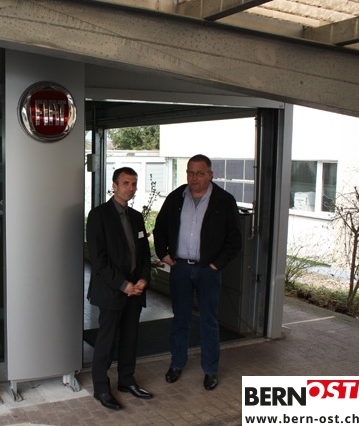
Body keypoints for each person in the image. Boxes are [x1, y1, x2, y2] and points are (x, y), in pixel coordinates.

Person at [152, 154, 242, 391]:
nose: (194, 178)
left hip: (208, 270)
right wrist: (163, 253)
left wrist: (216, 265)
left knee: (209, 321)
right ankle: (176, 364)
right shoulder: (176, 197)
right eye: (190, 173)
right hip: (180, 267)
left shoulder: (224, 201)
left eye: (200, 173)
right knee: (180, 318)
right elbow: (160, 227)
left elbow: (234, 240)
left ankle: (210, 370)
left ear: (210, 175)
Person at [86, 167, 154, 411]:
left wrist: (143, 279)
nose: (130, 188)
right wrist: (123, 284)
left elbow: (144, 253)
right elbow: (98, 259)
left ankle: (127, 381)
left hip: (135, 290)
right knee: (107, 341)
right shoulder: (99, 215)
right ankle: (101, 388)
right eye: (126, 183)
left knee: (130, 338)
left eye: (134, 183)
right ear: (114, 186)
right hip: (112, 290)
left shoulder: (136, 217)